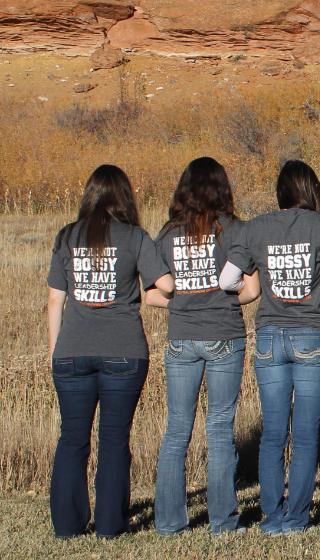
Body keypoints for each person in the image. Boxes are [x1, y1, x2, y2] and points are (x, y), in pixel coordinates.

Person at [220, 160, 320, 535]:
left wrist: (263, 277)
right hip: (314, 334)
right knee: (305, 431)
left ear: (280, 192)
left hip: (269, 336)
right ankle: (296, 518)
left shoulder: (255, 228)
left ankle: (271, 516)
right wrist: (316, 279)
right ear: (312, 190)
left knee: (273, 432)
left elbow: (227, 279)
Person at [46, 165, 174, 538]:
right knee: (114, 440)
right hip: (124, 352)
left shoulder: (67, 236)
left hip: (71, 354)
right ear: (125, 198)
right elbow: (164, 285)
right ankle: (109, 525)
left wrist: (57, 353)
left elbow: (55, 300)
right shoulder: (134, 237)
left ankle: (67, 526)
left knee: (72, 438)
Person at [148, 157, 261, 536]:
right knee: (219, 428)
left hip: (181, 337)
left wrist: (182, 300)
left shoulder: (166, 235)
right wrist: (222, 299)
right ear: (222, 188)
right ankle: (223, 522)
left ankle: (167, 522)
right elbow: (252, 290)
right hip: (225, 335)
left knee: (177, 428)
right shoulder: (236, 230)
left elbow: (150, 294)